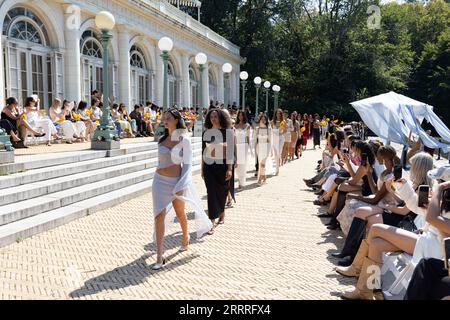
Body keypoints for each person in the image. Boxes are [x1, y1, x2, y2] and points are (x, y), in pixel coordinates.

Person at [151, 108, 212, 270]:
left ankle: (185, 237)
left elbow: (188, 165)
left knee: (180, 213)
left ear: (177, 120)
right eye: (164, 118)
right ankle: (159, 255)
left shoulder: (184, 139)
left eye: (169, 118)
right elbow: (160, 161)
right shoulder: (161, 139)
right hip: (158, 182)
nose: (165, 121)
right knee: (158, 216)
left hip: (176, 182)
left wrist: (181, 184)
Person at [202, 109, 235, 234]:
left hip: (223, 166)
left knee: (222, 192)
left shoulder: (228, 133)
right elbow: (203, 152)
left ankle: (222, 212)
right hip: (209, 167)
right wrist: (202, 169)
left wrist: (230, 169)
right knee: (211, 192)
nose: (213, 119)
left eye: (215, 116)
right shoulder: (206, 133)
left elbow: (230, 153)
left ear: (221, 118)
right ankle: (211, 221)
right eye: (211, 117)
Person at [235, 110, 251, 189]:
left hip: (243, 146)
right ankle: (239, 179)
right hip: (236, 146)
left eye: (242, 115)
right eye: (239, 115)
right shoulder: (235, 126)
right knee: (237, 165)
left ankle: (241, 183)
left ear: (244, 116)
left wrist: (247, 148)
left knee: (242, 165)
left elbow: (248, 138)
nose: (240, 117)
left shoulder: (247, 126)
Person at [255, 113, 272, 185]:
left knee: (263, 164)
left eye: (265, 119)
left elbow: (270, 141)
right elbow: (255, 140)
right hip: (259, 147)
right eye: (262, 119)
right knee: (261, 164)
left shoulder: (269, 129)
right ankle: (264, 178)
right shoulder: (257, 129)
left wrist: (270, 151)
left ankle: (259, 179)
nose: (263, 120)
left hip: (266, 147)